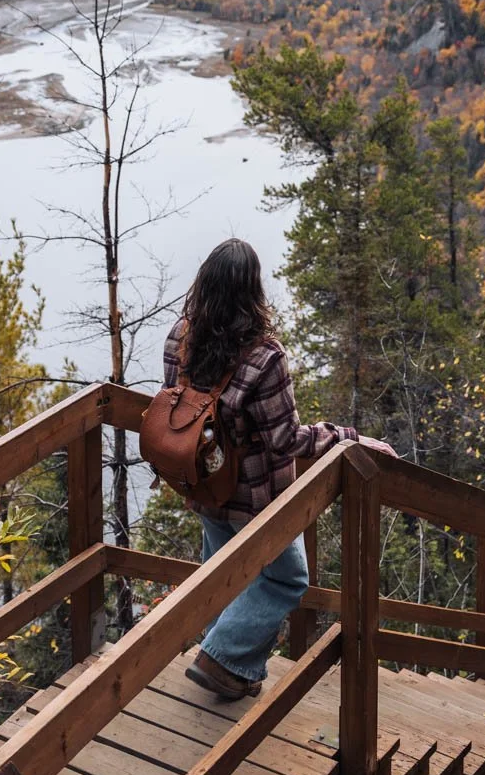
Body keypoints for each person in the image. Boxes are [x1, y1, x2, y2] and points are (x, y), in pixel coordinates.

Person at [165, 237, 395, 702]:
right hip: (256, 499)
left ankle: (233, 671)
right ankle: (221, 658)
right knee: (287, 578)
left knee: (222, 574)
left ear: (204, 283)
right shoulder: (265, 357)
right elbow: (286, 440)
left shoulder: (181, 338)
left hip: (203, 484)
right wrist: (349, 437)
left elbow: (178, 406)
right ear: (253, 290)